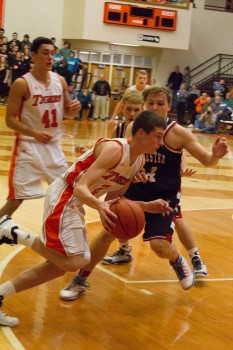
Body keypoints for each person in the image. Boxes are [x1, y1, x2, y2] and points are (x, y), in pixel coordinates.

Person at [0, 110, 172, 326]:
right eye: (158, 135)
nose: (161, 141)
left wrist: (147, 206)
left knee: (58, 266)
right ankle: (12, 232)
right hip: (65, 195)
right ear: (141, 134)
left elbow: (114, 202)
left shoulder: (139, 162)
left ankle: (0, 294)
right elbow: (81, 188)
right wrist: (98, 204)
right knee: (77, 261)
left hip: (75, 203)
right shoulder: (115, 149)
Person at [59, 85, 228, 301]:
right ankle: (80, 280)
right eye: (151, 104)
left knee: (159, 246)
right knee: (108, 231)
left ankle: (177, 259)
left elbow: (207, 161)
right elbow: (120, 155)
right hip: (134, 189)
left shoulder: (179, 134)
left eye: (160, 104)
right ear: (144, 105)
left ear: (169, 106)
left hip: (164, 195)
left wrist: (215, 156)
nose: (155, 108)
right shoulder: (134, 128)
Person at [0, 36, 81, 220]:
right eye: (45, 53)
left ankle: (57, 237)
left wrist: (73, 111)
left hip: (53, 148)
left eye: (53, 54)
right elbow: (10, 120)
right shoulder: (22, 84)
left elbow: (68, 113)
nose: (50, 57)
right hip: (28, 148)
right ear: (34, 56)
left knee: (66, 195)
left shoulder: (59, 81)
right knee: (15, 200)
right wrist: (34, 133)